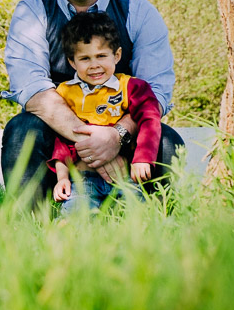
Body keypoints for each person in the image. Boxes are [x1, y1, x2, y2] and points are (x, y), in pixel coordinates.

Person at [2, 0, 183, 199]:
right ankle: (33, 227)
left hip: (124, 132)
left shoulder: (138, 12)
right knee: (22, 129)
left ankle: (162, 225)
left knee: (168, 142)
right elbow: (32, 91)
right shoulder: (32, 11)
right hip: (59, 137)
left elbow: (157, 91)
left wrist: (116, 137)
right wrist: (94, 144)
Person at [49, 11, 161, 212]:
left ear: (116, 55)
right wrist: (62, 177)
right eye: (85, 58)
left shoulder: (131, 86)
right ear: (72, 62)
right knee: (76, 219)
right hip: (83, 179)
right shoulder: (65, 93)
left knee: (140, 218)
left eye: (101, 56)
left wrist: (143, 157)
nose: (94, 65)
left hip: (124, 175)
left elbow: (149, 118)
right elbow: (62, 141)